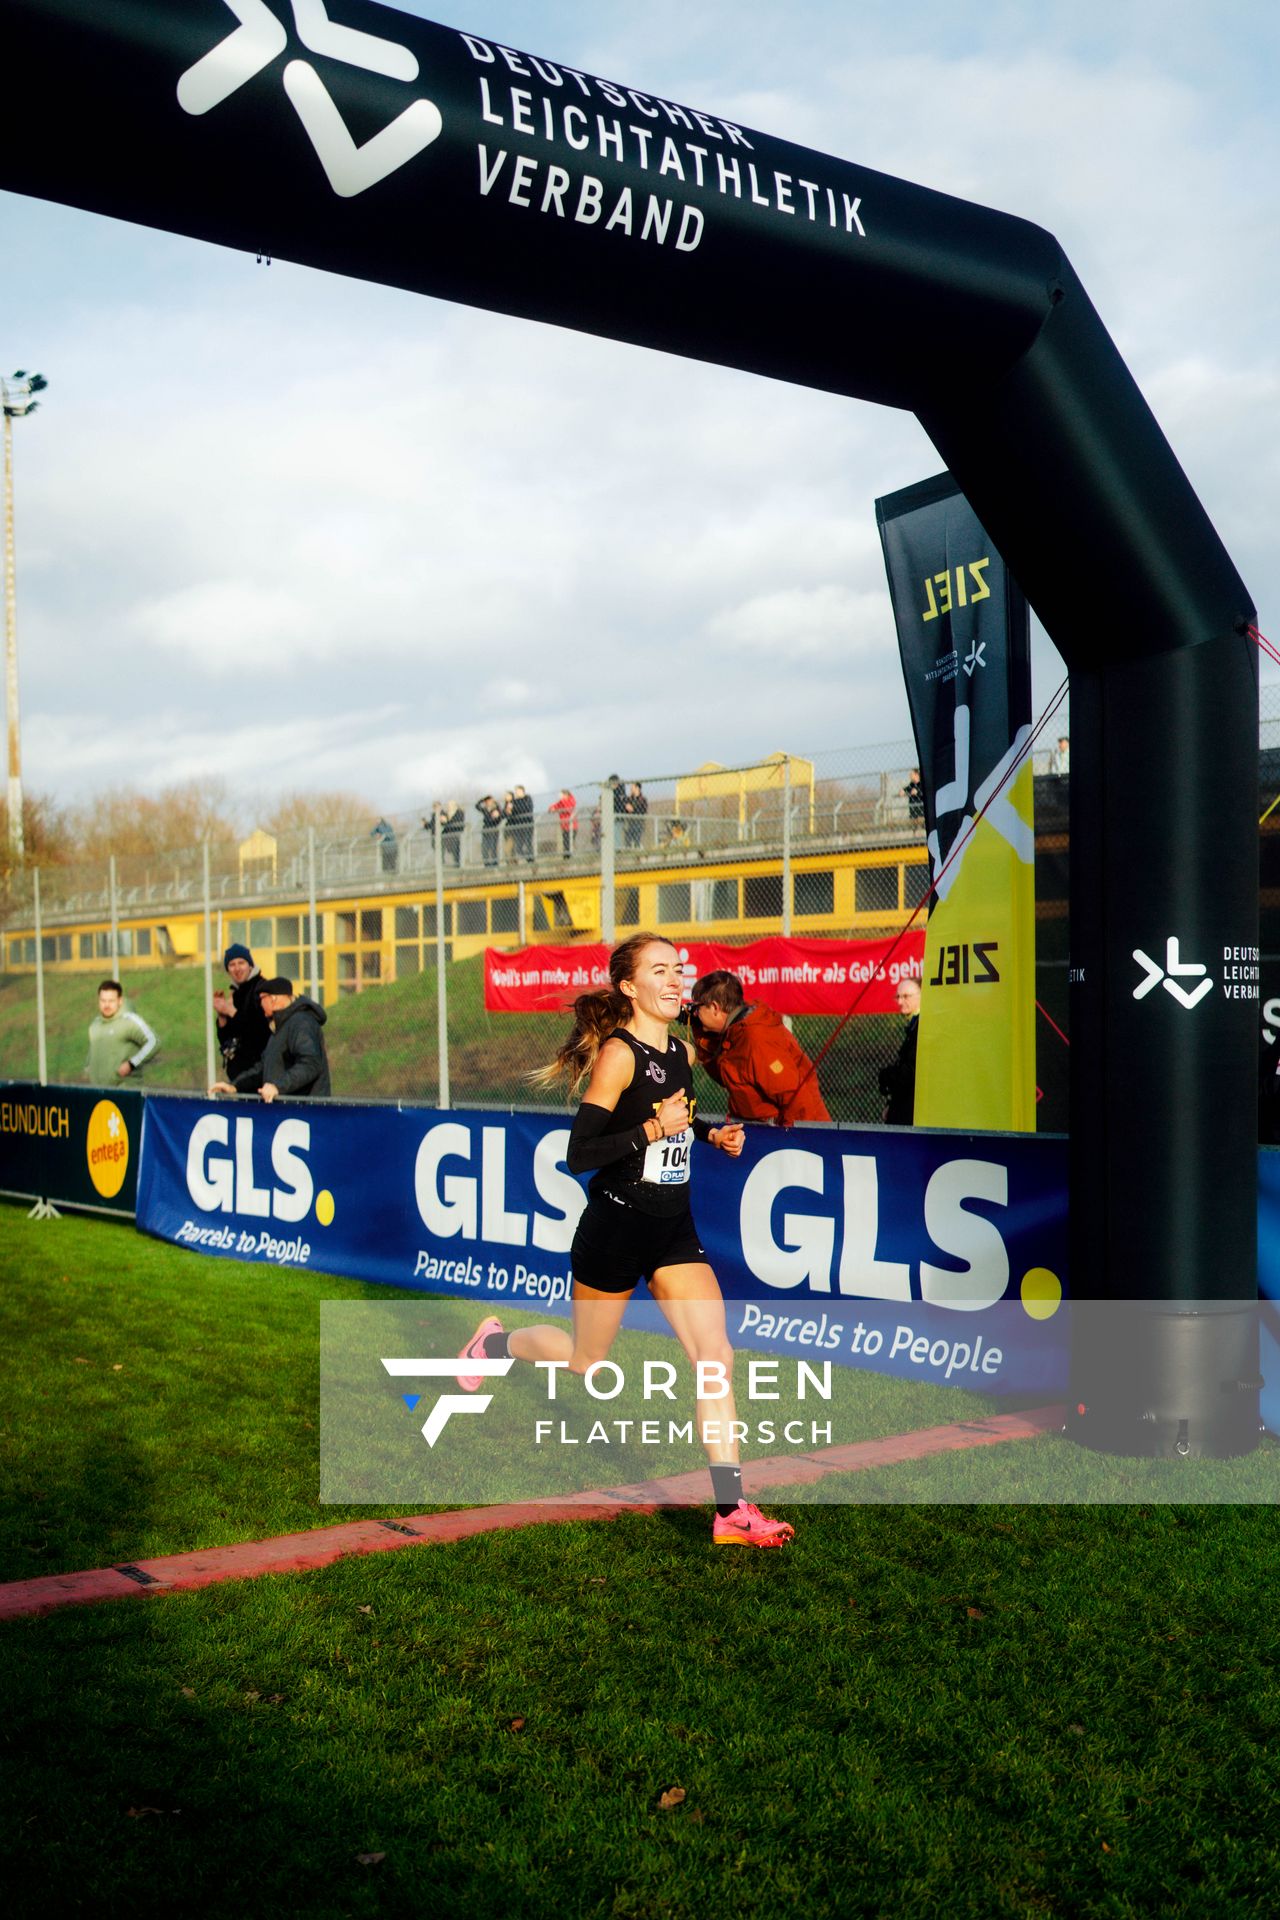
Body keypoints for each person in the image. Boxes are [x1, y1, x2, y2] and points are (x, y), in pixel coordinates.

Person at [457, 933, 795, 1549]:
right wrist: (650, 1127)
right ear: (630, 988)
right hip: (614, 1227)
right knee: (587, 1361)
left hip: (672, 1228)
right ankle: (494, 1343)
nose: (675, 980)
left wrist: (712, 1134)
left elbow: (681, 1118)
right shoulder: (619, 1055)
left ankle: (730, 1510)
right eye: (659, 971)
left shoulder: (685, 1053)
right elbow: (578, 1153)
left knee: (716, 1358)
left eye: (679, 970)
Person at [688, 970, 830, 1125]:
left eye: (697, 1008)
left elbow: (796, 1098)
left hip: (791, 1132)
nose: (695, 1013)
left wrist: (792, 1142)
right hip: (760, 1130)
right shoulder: (735, 1034)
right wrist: (699, 1030)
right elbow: (726, 1078)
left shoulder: (757, 1039)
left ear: (715, 1008)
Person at [210, 976, 330, 1101]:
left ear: (273, 999)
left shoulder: (301, 1023)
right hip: (286, 1112)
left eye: (261, 998)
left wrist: (278, 1087)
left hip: (306, 1112)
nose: (260, 1003)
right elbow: (263, 1067)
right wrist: (234, 1086)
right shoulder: (279, 1027)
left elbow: (310, 1064)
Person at [212, 942, 270, 1084]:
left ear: (250, 965)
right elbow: (227, 1042)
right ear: (228, 970)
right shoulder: (237, 993)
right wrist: (222, 1015)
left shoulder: (262, 989)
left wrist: (230, 1011)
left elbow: (259, 1031)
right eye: (232, 965)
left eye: (241, 963)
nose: (237, 968)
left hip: (260, 1075)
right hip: (239, 1077)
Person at [86, 980, 158, 1086]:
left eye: (111, 1001)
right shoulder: (95, 1025)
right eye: (103, 1000)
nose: (106, 1005)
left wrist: (132, 1064)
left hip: (125, 1093)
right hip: (99, 1094)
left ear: (120, 1001)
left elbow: (154, 1041)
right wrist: (88, 1066)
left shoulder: (129, 1021)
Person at [879, 971, 921, 1125]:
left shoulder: (921, 1028)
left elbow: (910, 1071)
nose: (900, 1001)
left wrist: (887, 1076)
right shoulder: (913, 1027)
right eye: (898, 996)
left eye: (906, 996)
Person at [549, 787, 578, 859]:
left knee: (569, 842)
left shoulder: (571, 800)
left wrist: (560, 804)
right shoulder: (561, 802)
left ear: (566, 795)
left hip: (572, 826)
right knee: (565, 842)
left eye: (561, 795)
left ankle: (569, 856)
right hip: (564, 826)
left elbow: (568, 809)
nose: (560, 796)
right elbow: (553, 807)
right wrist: (552, 808)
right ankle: (566, 857)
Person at [476, 795, 503, 868]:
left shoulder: (496, 808)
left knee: (492, 847)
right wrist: (482, 800)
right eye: (486, 801)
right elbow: (477, 806)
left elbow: (500, 818)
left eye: (489, 801)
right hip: (486, 829)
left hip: (493, 829)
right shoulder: (485, 809)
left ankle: (495, 863)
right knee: (484, 848)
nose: (487, 802)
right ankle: (487, 864)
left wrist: (496, 816)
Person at [510, 784, 535, 861]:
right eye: (515, 791)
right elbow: (512, 813)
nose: (516, 793)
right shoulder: (514, 801)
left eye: (517, 791)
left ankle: (531, 860)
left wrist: (514, 808)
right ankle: (529, 858)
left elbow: (527, 808)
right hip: (518, 826)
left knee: (528, 843)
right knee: (518, 848)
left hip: (527, 824)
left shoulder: (527, 798)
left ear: (522, 791)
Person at [623, 779, 648, 849]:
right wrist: (627, 805)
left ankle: (637, 849)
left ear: (637, 788)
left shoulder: (642, 799)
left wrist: (633, 809)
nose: (631, 788)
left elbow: (643, 810)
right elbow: (625, 806)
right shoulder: (629, 799)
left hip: (638, 822)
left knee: (637, 839)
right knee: (628, 840)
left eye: (632, 787)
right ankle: (628, 850)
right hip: (629, 822)